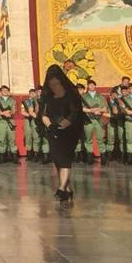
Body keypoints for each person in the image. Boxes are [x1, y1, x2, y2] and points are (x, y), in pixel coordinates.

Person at [39, 65, 84, 202]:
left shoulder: (71, 94)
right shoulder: (47, 96)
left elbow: (74, 113)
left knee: (65, 160)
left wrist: (63, 125)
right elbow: (43, 114)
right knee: (58, 161)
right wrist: (51, 126)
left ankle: (61, 189)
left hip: (69, 131)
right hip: (53, 131)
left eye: (56, 83)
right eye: (51, 84)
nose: (53, 86)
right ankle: (68, 189)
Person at [80, 80, 108, 164]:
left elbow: (105, 108)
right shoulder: (83, 96)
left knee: (100, 138)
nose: (91, 86)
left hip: (98, 120)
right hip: (88, 120)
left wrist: (98, 110)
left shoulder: (100, 96)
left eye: (93, 85)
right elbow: (81, 108)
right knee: (88, 139)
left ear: (95, 86)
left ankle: (103, 157)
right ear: (88, 86)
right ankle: (89, 157)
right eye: (90, 85)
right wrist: (91, 110)